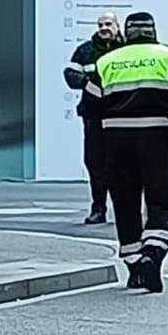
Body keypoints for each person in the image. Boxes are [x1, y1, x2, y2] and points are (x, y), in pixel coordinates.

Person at [83, 11, 168, 294]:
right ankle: (152, 254)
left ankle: (135, 265)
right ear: (153, 31)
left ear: (126, 32)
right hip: (157, 140)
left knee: (125, 204)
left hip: (116, 143)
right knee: (162, 202)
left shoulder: (106, 62)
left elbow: (89, 107)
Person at [64, 12, 123, 224]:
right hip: (94, 116)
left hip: (121, 116)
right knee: (95, 163)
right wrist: (89, 85)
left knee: (123, 165)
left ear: (117, 26)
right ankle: (98, 208)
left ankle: (125, 209)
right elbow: (70, 75)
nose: (104, 28)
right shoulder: (85, 50)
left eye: (108, 24)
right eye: (100, 24)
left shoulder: (126, 51)